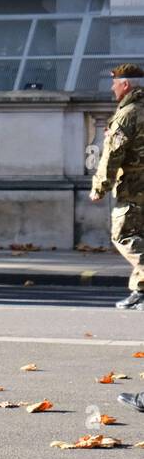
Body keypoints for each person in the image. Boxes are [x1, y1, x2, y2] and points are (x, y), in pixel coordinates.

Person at [91, 63, 144, 313]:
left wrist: (100, 186)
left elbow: (113, 153)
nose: (112, 88)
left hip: (135, 187)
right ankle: (140, 293)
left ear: (125, 85)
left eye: (115, 83)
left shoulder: (128, 113)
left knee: (123, 235)